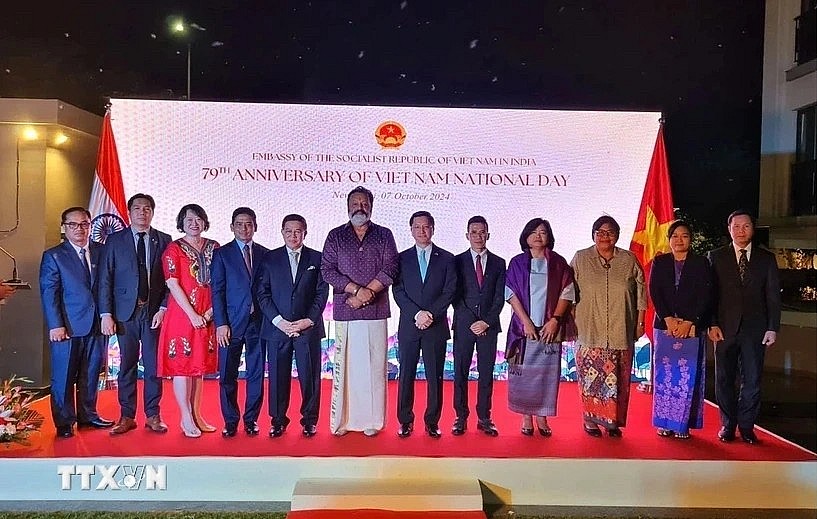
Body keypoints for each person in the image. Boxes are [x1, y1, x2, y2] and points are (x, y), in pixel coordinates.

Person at [321, 186, 399, 437]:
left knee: (374, 368)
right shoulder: (335, 236)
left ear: (371, 206)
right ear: (347, 206)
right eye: (355, 203)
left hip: (376, 312)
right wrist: (356, 291)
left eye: (364, 203)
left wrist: (368, 294)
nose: (359, 207)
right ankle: (342, 421)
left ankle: (373, 421)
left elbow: (391, 268)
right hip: (347, 311)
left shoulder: (384, 234)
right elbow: (327, 270)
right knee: (347, 367)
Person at [98, 193, 172, 435]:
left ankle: (153, 415)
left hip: (152, 313)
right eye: (138, 208)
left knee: (153, 367)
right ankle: (126, 415)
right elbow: (105, 278)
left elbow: (171, 280)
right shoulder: (115, 240)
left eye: (147, 208)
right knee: (127, 366)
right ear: (129, 212)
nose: (142, 212)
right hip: (124, 314)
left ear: (153, 212)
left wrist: (163, 308)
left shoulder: (164, 240)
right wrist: (106, 313)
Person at [707, 210, 781, 444]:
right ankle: (728, 425)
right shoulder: (715, 257)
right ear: (729, 229)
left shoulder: (766, 259)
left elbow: (772, 297)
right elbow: (710, 295)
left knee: (753, 379)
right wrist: (712, 324)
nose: (741, 231)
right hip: (724, 329)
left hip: (755, 330)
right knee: (724, 379)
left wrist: (772, 327)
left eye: (746, 226)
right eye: (736, 226)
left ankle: (747, 426)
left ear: (753, 228)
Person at [39, 207, 113, 438]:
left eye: (84, 224)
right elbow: (49, 293)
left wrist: (107, 316)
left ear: (91, 226)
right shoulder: (54, 256)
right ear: (64, 227)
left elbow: (107, 286)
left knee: (91, 373)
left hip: (96, 325)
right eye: (73, 224)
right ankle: (64, 422)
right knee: (63, 376)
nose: (79, 229)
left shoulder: (102, 251)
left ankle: (88, 415)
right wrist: (55, 325)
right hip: (67, 327)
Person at [571, 215, 646, 438]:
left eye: (610, 232)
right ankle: (590, 420)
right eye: (600, 232)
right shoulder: (581, 258)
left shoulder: (629, 260)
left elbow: (641, 294)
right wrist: (570, 320)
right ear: (593, 235)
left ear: (617, 236)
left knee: (619, 379)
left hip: (620, 328)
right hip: (589, 329)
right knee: (590, 378)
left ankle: (612, 422)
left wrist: (640, 322)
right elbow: (568, 291)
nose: (605, 236)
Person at [255, 214, 329, 438]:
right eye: (288, 231)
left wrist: (309, 320)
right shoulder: (270, 259)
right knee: (277, 377)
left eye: (298, 231)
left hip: (307, 327)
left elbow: (321, 293)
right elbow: (262, 293)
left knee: (310, 377)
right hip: (278, 329)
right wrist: (279, 322)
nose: (293, 235)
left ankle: (309, 420)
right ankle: (278, 421)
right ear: (282, 232)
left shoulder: (317, 258)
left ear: (305, 233)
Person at [505, 218, 576, 437]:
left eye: (543, 232)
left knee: (546, 375)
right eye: (534, 232)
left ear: (549, 237)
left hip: (549, 328)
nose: (538, 236)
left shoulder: (557, 262)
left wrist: (555, 320)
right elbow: (510, 293)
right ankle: (526, 416)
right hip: (523, 328)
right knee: (524, 376)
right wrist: (525, 321)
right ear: (526, 236)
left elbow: (568, 292)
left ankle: (542, 417)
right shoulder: (517, 262)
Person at [157, 204, 220, 438]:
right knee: (183, 367)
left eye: (198, 219)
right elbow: (172, 283)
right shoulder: (173, 249)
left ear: (205, 222)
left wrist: (210, 312)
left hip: (208, 314)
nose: (194, 223)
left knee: (198, 367)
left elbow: (221, 282)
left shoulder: (215, 247)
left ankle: (197, 414)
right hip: (182, 315)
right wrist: (193, 314)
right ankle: (185, 417)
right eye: (189, 219)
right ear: (181, 222)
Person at [393, 211, 457, 438]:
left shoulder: (448, 258)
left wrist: (430, 313)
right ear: (411, 230)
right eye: (417, 227)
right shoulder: (400, 258)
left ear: (433, 228)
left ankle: (432, 421)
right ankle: (405, 420)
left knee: (435, 376)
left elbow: (450, 291)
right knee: (406, 374)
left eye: (426, 227)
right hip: (410, 326)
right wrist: (417, 314)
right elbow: (397, 291)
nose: (422, 231)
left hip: (436, 325)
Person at [649, 220, 712, 439]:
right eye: (674, 236)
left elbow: (706, 295)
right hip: (665, 326)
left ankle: (682, 425)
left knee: (687, 377)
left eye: (684, 235)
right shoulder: (660, 262)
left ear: (690, 239)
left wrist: (689, 321)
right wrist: (667, 318)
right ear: (669, 240)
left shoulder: (701, 263)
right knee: (665, 377)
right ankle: (665, 422)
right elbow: (654, 291)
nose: (679, 240)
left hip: (692, 327)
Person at [210, 207, 269, 437]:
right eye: (239, 224)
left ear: (255, 226)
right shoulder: (222, 254)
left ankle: (251, 419)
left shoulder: (266, 254)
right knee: (227, 374)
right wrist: (221, 323)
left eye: (249, 224)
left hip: (259, 323)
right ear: (232, 227)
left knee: (256, 374)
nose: (244, 228)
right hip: (231, 325)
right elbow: (217, 291)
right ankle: (231, 420)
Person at [451, 216, 506, 437]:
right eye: (473, 232)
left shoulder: (499, 262)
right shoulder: (456, 261)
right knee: (460, 372)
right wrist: (472, 321)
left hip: (489, 327)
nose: (478, 236)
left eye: (482, 232)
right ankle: (460, 417)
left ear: (488, 235)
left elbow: (499, 297)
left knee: (486, 373)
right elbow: (454, 295)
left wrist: (486, 321)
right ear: (467, 235)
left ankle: (484, 417)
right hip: (464, 326)